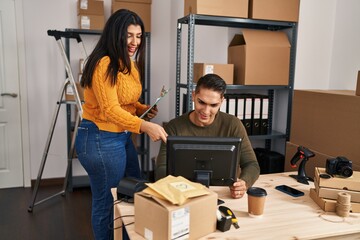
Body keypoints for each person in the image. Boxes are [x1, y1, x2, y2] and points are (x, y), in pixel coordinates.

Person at [75, 9, 168, 240]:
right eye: (129, 35)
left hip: (121, 137)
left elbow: (126, 102)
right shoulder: (103, 64)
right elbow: (109, 109)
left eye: (138, 36)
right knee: (107, 203)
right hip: (99, 138)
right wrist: (144, 126)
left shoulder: (130, 65)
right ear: (116, 34)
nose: (134, 42)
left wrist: (141, 109)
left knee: (132, 192)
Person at [155, 73, 260, 199]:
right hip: (183, 194)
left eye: (213, 105)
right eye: (201, 102)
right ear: (193, 96)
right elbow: (161, 169)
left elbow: (251, 164)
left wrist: (244, 183)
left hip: (224, 195)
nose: (205, 111)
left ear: (221, 102)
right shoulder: (174, 127)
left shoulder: (233, 124)